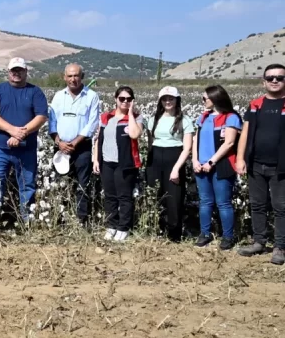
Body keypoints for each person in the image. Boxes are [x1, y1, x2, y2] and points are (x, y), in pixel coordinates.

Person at [0, 57, 49, 223]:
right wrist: (12, 130)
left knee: (27, 186)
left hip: (26, 149)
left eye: (20, 70)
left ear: (26, 72)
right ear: (8, 72)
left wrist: (22, 133)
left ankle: (27, 222)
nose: (16, 73)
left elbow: (41, 117)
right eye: (14, 70)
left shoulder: (35, 92)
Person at [237, 63, 285, 264]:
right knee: (257, 205)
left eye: (279, 78)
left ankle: (280, 247)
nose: (274, 81)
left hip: (281, 166)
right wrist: (240, 158)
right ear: (263, 81)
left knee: (281, 207)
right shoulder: (255, 104)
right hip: (256, 164)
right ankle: (259, 242)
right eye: (270, 77)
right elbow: (245, 133)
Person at [48, 63, 99, 224]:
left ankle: (81, 219)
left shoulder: (91, 96)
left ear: (82, 77)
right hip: (60, 148)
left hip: (82, 148)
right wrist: (59, 141)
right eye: (69, 76)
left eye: (76, 75)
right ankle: (60, 217)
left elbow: (92, 124)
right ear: (64, 77)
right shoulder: (58, 96)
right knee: (61, 183)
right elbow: (52, 121)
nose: (73, 79)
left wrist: (75, 142)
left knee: (83, 184)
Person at [192, 85, 241, 250]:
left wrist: (211, 162)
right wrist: (195, 160)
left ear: (215, 98)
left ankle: (228, 236)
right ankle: (204, 233)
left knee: (223, 203)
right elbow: (195, 140)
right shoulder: (203, 117)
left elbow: (229, 143)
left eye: (205, 98)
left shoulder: (231, 117)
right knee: (205, 201)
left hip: (221, 165)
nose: (203, 101)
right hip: (201, 165)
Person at [93, 86, 144, 242]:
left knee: (124, 197)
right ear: (116, 99)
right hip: (107, 162)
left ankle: (124, 227)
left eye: (128, 99)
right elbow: (98, 139)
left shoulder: (137, 117)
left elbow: (135, 134)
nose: (125, 101)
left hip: (126, 163)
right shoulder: (105, 117)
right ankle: (111, 225)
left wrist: (129, 114)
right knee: (110, 196)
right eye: (122, 99)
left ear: (132, 101)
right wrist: (96, 159)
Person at [145, 86, 195, 242]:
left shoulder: (185, 120)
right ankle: (157, 230)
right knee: (155, 195)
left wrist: (176, 169)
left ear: (177, 100)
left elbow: (187, 148)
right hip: (155, 158)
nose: (168, 101)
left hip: (175, 158)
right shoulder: (153, 119)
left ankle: (174, 235)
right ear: (160, 101)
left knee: (174, 198)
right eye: (164, 99)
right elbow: (150, 140)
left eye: (171, 98)